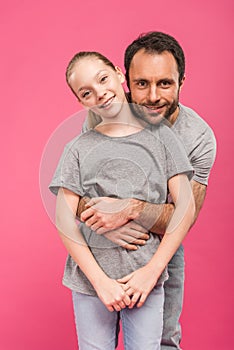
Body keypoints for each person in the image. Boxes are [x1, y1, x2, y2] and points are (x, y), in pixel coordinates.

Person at [79, 32, 217, 350]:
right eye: (141, 84)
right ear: (125, 80)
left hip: (162, 249)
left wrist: (132, 209)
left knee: (163, 340)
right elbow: (78, 194)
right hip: (100, 243)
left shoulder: (198, 137)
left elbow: (183, 218)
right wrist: (108, 229)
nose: (153, 96)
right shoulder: (103, 114)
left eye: (165, 84)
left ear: (182, 81)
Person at [49, 51, 195, 350]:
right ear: (80, 101)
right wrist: (100, 283)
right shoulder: (77, 148)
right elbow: (64, 219)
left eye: (103, 79)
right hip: (92, 284)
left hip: (145, 279)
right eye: (86, 92)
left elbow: (186, 206)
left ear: (119, 74)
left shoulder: (163, 136)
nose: (100, 93)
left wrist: (151, 273)